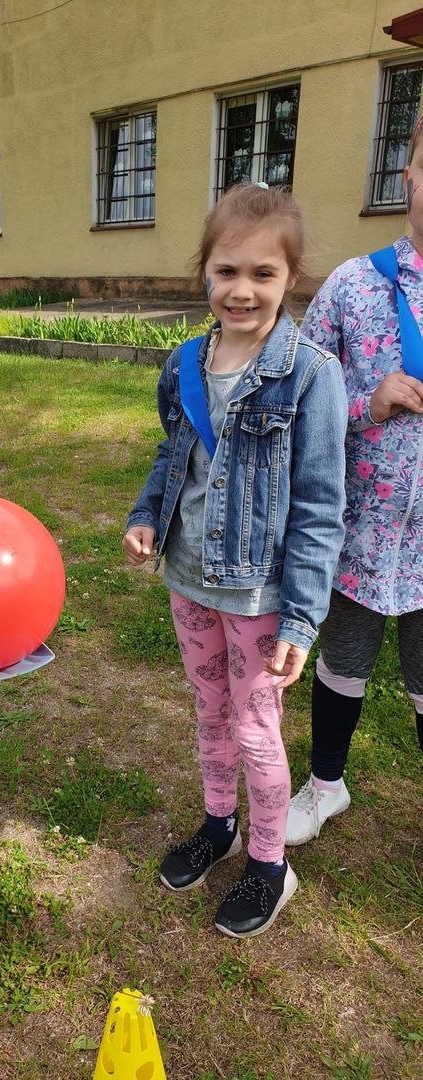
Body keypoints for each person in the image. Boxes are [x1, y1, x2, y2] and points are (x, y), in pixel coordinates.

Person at [123, 184, 347, 937]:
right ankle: (220, 824)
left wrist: (303, 620)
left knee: (256, 728)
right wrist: (146, 516)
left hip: (259, 597)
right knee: (209, 710)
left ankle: (269, 863)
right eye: (226, 271)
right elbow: (173, 454)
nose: (241, 290)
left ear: (291, 278)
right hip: (189, 579)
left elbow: (319, 507)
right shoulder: (184, 363)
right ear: (205, 271)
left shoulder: (311, 374)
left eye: (262, 273)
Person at [285, 120, 423, 846]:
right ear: (409, 176)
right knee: (343, 662)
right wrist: (370, 403)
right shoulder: (354, 286)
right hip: (361, 529)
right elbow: (299, 404)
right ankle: (325, 785)